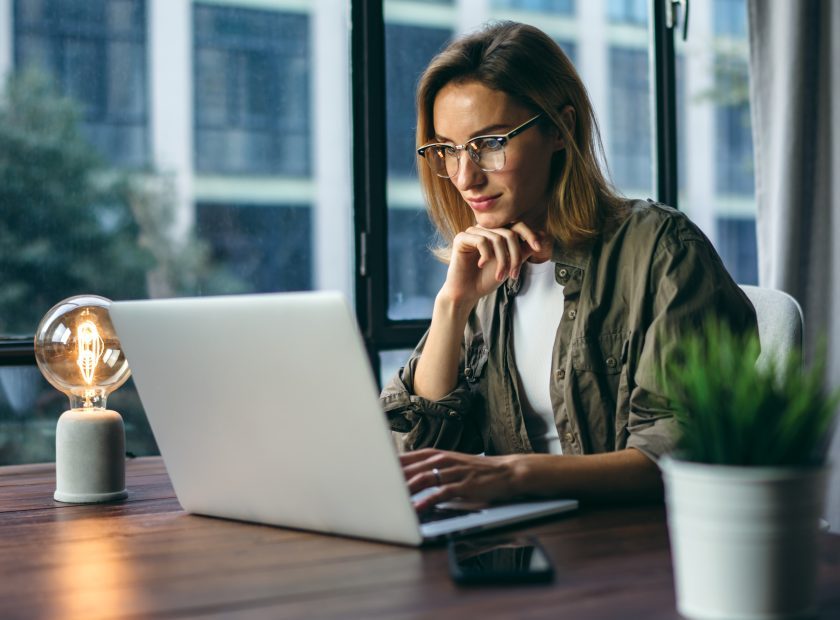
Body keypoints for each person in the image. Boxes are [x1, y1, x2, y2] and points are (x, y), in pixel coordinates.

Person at [380, 21, 756, 512]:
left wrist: (514, 475)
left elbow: (676, 456)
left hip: (628, 543)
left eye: (489, 144)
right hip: (519, 541)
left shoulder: (662, 251)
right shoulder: (485, 271)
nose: (464, 177)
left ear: (560, 129)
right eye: (448, 150)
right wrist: (452, 305)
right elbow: (414, 454)